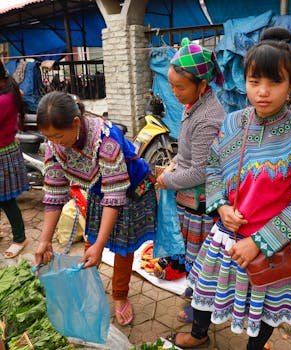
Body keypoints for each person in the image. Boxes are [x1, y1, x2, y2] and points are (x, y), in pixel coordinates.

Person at [171, 27, 291, 349]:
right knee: (205, 290)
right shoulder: (232, 123)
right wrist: (220, 206)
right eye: (255, 82)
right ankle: (200, 334)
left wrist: (259, 242)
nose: (263, 92)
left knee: (265, 309)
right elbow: (213, 167)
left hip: (272, 245)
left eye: (275, 82)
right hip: (225, 235)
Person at [34, 91, 157, 326]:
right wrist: (44, 240)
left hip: (129, 191)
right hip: (99, 192)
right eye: (49, 137)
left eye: (59, 135)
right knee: (91, 241)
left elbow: (115, 194)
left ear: (76, 123)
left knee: (121, 248)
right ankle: (90, 290)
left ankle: (120, 296)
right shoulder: (54, 145)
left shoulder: (107, 138)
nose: (55, 142)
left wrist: (101, 245)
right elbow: (54, 193)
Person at [156, 37, 225, 322]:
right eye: (171, 85)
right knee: (191, 254)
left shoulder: (208, 118)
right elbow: (189, 154)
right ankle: (196, 293)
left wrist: (166, 181)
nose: (173, 93)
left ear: (202, 85)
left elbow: (201, 171)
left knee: (200, 260)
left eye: (179, 87)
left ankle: (201, 314)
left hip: (201, 203)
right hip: (189, 198)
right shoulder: (194, 105)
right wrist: (173, 163)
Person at [0, 60, 29, 258]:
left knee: (7, 201)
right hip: (6, 148)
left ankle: (20, 238)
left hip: (3, 153)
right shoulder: (8, 90)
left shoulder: (5, 99)